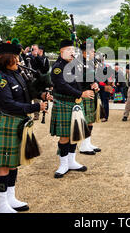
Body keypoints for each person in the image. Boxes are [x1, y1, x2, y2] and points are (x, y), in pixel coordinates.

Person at [0, 40, 49, 213]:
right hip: (8, 121)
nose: (19, 61)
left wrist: (42, 94)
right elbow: (8, 104)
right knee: (4, 166)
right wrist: (35, 107)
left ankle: (10, 198)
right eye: (16, 57)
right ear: (7, 59)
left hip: (18, 122)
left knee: (13, 163)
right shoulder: (0, 78)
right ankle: (1, 205)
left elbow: (28, 92)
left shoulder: (17, 74)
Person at [49, 40, 92, 178]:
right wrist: (81, 94)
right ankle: (63, 164)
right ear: (61, 52)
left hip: (75, 104)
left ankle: (72, 161)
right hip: (64, 103)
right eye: (69, 50)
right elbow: (62, 85)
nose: (72, 53)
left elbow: (81, 80)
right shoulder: (58, 67)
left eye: (73, 50)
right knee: (64, 136)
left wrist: (93, 84)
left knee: (74, 133)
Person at [78, 41, 101, 155]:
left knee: (90, 120)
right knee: (86, 120)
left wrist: (95, 83)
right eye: (92, 51)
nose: (94, 52)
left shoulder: (90, 62)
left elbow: (94, 77)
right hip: (84, 93)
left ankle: (87, 143)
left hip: (91, 92)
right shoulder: (77, 63)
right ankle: (83, 145)